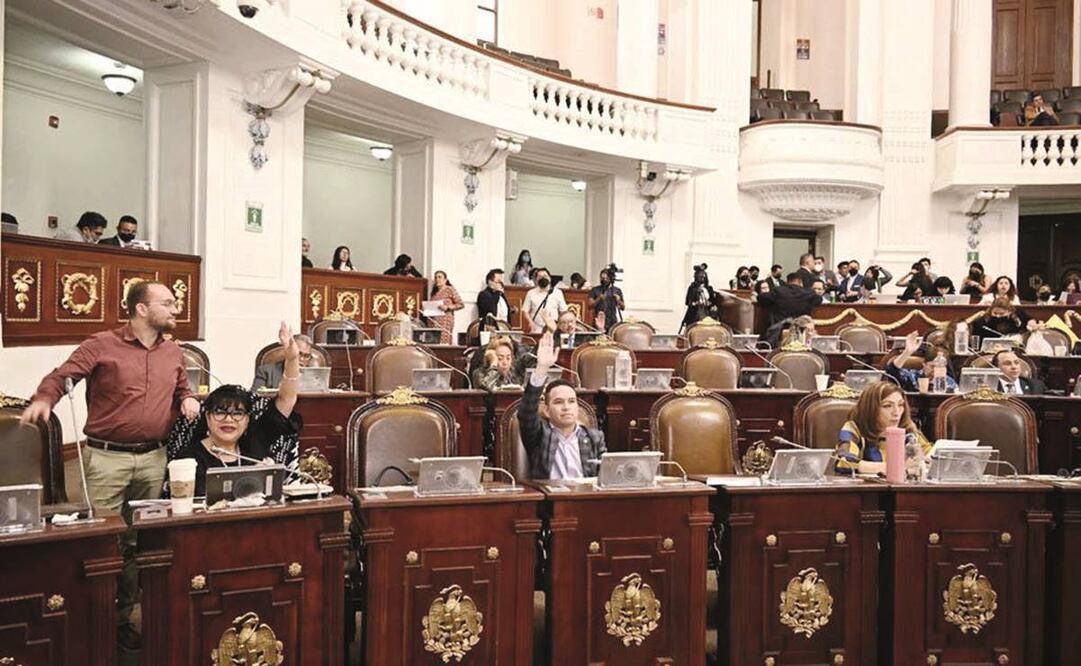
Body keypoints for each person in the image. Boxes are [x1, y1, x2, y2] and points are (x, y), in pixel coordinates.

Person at [19, 280, 200, 650]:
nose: (175, 309)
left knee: (140, 541)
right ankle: (89, 620)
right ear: (141, 309)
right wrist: (44, 399)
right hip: (106, 459)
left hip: (154, 459)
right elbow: (61, 376)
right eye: (167, 303)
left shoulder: (173, 353)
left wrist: (188, 398)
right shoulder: (101, 344)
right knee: (101, 541)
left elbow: (182, 386)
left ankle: (121, 619)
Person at [168, 322, 302, 497]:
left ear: (247, 419)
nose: (229, 420)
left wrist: (292, 359)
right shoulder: (189, 457)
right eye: (220, 412)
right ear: (207, 417)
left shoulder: (254, 444)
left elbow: (287, 399)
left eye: (237, 413)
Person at [519, 331, 606, 478]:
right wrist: (541, 369)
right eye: (559, 402)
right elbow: (526, 414)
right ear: (546, 411)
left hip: (584, 497)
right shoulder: (540, 435)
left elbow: (605, 475)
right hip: (551, 498)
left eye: (571, 401)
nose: (566, 407)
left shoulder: (594, 437)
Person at [834, 382, 932, 475]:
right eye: (887, 406)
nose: (896, 413)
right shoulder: (854, 428)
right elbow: (844, 462)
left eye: (900, 405)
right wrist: (897, 467)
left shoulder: (908, 429)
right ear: (871, 408)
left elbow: (931, 454)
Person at [885, 331, 958, 392]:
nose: (935, 371)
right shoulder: (912, 376)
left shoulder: (949, 382)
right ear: (924, 364)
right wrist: (907, 352)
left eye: (939, 368)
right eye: (932, 366)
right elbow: (892, 370)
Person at [757, 272, 823, 326]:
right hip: (802, 327)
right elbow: (819, 299)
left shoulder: (779, 291)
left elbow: (760, 297)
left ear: (787, 282)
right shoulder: (809, 293)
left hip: (781, 328)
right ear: (800, 282)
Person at [522, 267, 568, 334]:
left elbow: (563, 311)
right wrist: (530, 322)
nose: (543, 278)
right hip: (536, 327)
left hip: (553, 327)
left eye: (545, 276)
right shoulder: (530, 293)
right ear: (536, 279)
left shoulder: (558, 292)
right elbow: (525, 311)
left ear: (549, 278)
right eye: (540, 276)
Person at [428, 270, 464, 344]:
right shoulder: (434, 293)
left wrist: (448, 307)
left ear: (445, 280)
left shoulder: (449, 289)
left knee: (444, 342)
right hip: (434, 321)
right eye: (435, 277)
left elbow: (461, 304)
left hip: (445, 320)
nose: (437, 279)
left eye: (440, 277)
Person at [971, 297, 1038, 337]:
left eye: (1001, 314)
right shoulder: (983, 320)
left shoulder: (1019, 313)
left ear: (1009, 312)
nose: (998, 316)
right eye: (995, 313)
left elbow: (1030, 320)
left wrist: (1031, 322)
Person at [681, 263, 719, 330]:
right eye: (700, 276)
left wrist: (709, 304)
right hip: (695, 313)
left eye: (703, 276)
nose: (702, 278)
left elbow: (713, 301)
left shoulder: (709, 288)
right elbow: (688, 302)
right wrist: (696, 303)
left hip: (707, 312)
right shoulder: (692, 288)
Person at [476, 268, 514, 335]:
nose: (501, 284)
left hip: (504, 329)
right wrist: (497, 292)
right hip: (491, 330)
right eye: (498, 281)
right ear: (490, 282)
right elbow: (491, 309)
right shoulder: (483, 295)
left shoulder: (501, 295)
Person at [587, 268, 624, 332]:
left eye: (606, 278)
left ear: (610, 278)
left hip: (612, 322)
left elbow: (623, 307)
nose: (603, 280)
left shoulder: (617, 290)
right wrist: (598, 298)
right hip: (599, 322)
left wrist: (618, 300)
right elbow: (589, 306)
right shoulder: (595, 290)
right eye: (602, 278)